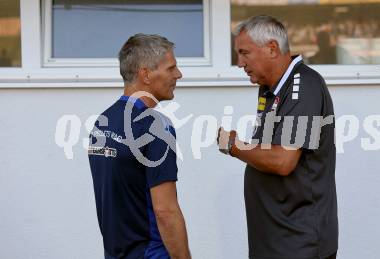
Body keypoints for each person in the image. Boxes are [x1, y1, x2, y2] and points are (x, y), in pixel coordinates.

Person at [217, 15, 338, 259]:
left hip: (297, 243)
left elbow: (283, 161)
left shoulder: (302, 86)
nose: (240, 62)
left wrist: (233, 145)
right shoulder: (272, 87)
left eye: (244, 53)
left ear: (271, 48)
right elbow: (268, 148)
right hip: (273, 239)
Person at [88, 34, 191, 259]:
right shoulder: (155, 127)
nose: (179, 74)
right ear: (145, 74)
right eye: (171, 68)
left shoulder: (102, 122)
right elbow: (165, 211)